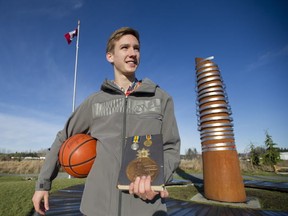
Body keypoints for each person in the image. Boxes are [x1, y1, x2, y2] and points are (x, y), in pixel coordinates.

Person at [32, 27, 181, 216]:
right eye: (125, 48)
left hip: (146, 207)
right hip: (97, 207)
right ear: (110, 56)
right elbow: (63, 137)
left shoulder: (161, 98)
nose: (132, 53)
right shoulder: (95, 101)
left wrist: (157, 179)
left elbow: (171, 148)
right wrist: (43, 184)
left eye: (136, 48)